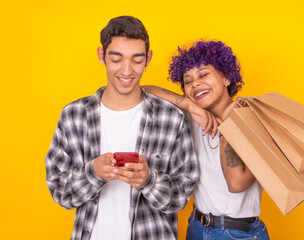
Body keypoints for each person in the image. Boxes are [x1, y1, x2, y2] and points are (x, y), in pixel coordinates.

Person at [45, 16, 199, 240]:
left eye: (136, 60)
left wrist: (149, 179)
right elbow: (60, 192)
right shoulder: (73, 116)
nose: (127, 71)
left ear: (148, 58)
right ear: (102, 56)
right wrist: (93, 172)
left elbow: (181, 196)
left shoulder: (171, 118)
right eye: (116, 59)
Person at [143, 40, 270, 240]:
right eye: (188, 81)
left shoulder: (253, 120)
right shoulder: (192, 118)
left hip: (238, 234)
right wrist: (190, 106)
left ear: (226, 77)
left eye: (203, 74)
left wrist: (227, 125)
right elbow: (143, 91)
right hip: (197, 227)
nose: (195, 84)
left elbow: (236, 183)